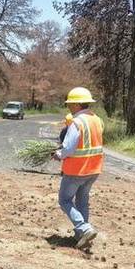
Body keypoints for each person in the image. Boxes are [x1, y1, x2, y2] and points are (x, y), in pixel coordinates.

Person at [52, 87, 103, 249]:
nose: (69, 107)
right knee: (82, 201)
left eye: (70, 104)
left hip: (77, 169)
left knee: (65, 200)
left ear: (77, 104)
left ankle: (84, 228)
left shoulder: (77, 122)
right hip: (93, 169)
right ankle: (82, 236)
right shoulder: (96, 119)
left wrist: (58, 154)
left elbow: (68, 149)